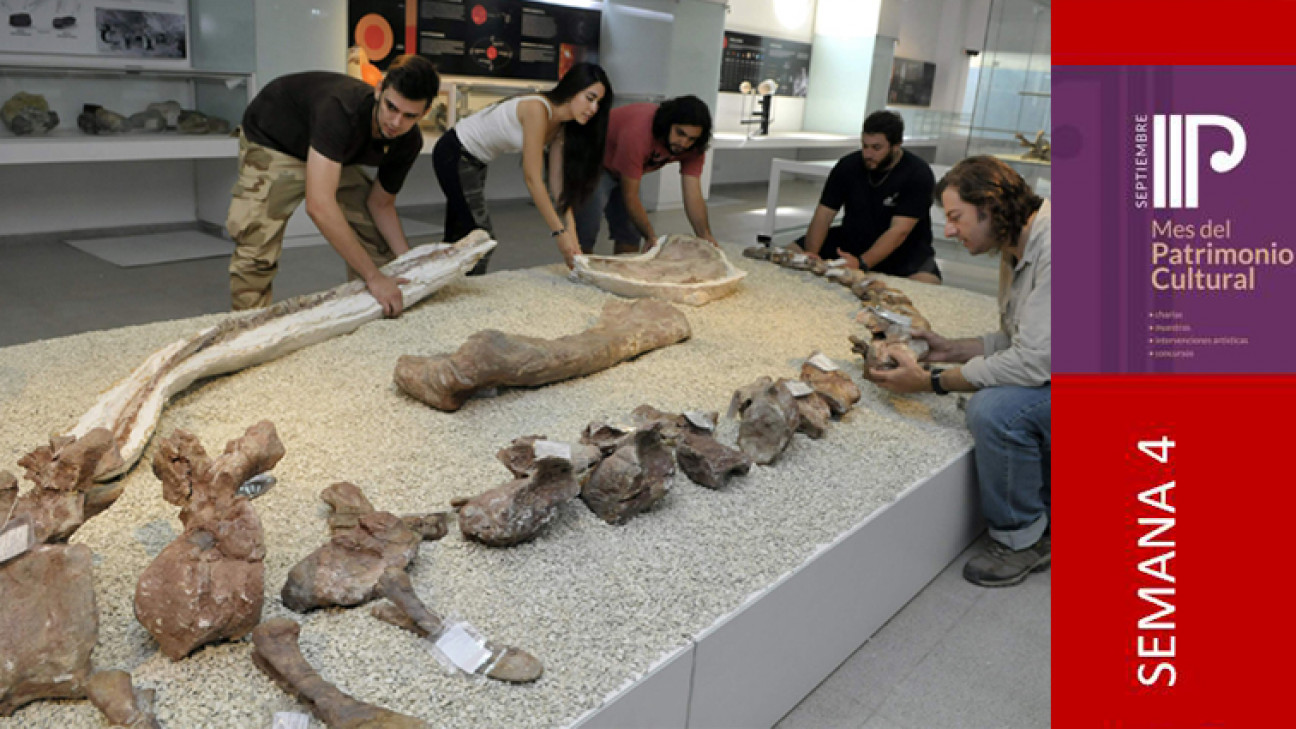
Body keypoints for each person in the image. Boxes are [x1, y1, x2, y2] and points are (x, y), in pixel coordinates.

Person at [868, 156, 1051, 587]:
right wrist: (950, 349)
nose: (949, 231)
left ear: (990, 205)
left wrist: (932, 382)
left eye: (956, 217)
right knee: (994, 388)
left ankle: (1022, 539)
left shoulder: (1057, 246)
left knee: (996, 411)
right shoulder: (1017, 242)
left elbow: (1034, 361)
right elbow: (1020, 339)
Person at [227, 54, 440, 317]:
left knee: (374, 240)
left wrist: (411, 262)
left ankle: (372, 312)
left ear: (425, 112)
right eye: (391, 107)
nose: (396, 123)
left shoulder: (408, 141)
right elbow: (319, 206)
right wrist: (373, 277)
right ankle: (247, 327)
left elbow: (381, 204)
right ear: (379, 90)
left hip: (332, 153)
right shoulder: (339, 109)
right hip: (275, 140)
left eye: (410, 116)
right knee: (256, 243)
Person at [432, 63, 612, 275]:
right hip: (455, 152)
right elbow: (532, 178)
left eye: (598, 102)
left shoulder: (561, 128)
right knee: (480, 239)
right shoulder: (537, 109)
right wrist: (559, 233)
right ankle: (465, 295)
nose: (593, 109)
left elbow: (557, 186)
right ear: (573, 88)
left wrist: (572, 235)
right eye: (589, 98)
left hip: (475, 161)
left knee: (461, 234)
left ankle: (444, 286)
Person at [794, 110, 941, 283]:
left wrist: (861, 264)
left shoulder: (917, 173)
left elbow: (899, 231)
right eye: (865, 146)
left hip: (904, 250)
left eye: (876, 148)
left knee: (927, 285)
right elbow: (824, 214)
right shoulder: (847, 166)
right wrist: (812, 254)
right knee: (791, 254)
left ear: (896, 145)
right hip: (852, 240)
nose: (868, 154)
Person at [573, 95, 716, 254]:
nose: (684, 143)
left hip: (622, 166)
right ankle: (579, 269)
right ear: (668, 124)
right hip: (592, 159)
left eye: (691, 138)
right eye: (680, 133)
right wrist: (650, 236)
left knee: (630, 232)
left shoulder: (694, 148)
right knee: (587, 226)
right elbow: (630, 196)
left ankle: (624, 272)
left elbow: (693, 193)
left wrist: (705, 236)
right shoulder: (639, 132)